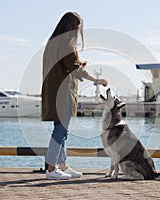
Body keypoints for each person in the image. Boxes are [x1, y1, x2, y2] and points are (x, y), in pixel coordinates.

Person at [42, 11, 108, 180]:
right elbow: (75, 70)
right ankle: (51, 168)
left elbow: (66, 66)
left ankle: (62, 165)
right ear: (72, 27)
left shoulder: (52, 43)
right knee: (60, 130)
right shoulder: (67, 44)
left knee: (61, 130)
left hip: (53, 91)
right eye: (78, 28)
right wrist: (97, 80)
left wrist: (78, 64)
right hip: (63, 93)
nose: (79, 32)